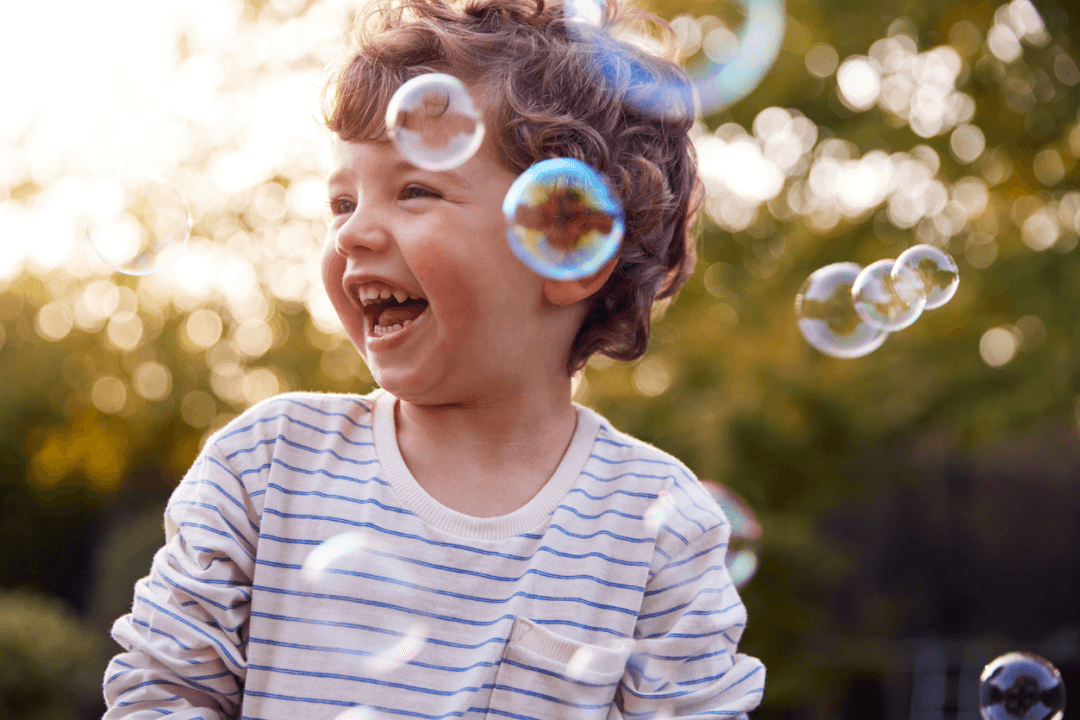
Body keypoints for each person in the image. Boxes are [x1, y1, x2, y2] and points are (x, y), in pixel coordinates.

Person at [102, 0, 766, 716]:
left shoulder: (657, 528)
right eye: (342, 202)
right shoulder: (265, 467)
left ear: (570, 242)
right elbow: (160, 691)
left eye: (415, 190)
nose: (353, 233)